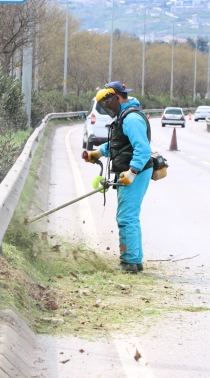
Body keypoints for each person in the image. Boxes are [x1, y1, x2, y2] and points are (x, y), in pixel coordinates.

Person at [84, 81, 152, 274]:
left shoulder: (131, 119)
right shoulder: (124, 116)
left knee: (126, 217)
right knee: (131, 216)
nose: (106, 109)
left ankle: (129, 262)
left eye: (107, 104)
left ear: (116, 98)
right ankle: (135, 260)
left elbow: (143, 149)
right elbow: (119, 144)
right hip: (130, 170)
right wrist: (97, 153)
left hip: (135, 172)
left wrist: (132, 172)